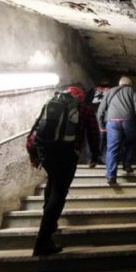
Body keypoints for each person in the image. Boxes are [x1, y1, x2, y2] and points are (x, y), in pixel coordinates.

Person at [27, 85, 99, 256]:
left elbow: (35, 129)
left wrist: (33, 154)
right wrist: (94, 155)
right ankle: (43, 240)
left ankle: (50, 225)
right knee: (59, 193)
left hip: (46, 152)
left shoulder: (51, 103)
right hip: (67, 153)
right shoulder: (84, 108)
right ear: (81, 96)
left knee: (52, 184)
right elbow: (94, 133)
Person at [97, 76, 136, 185]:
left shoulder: (110, 91)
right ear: (130, 84)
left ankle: (111, 176)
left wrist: (101, 125)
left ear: (120, 83)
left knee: (112, 148)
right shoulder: (133, 91)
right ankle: (127, 166)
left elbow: (101, 109)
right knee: (129, 143)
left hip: (112, 122)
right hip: (129, 121)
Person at [85, 79, 111, 164]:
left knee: (91, 136)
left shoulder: (92, 90)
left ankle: (90, 159)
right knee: (106, 137)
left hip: (92, 115)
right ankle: (104, 158)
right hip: (105, 115)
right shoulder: (111, 91)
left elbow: (86, 102)